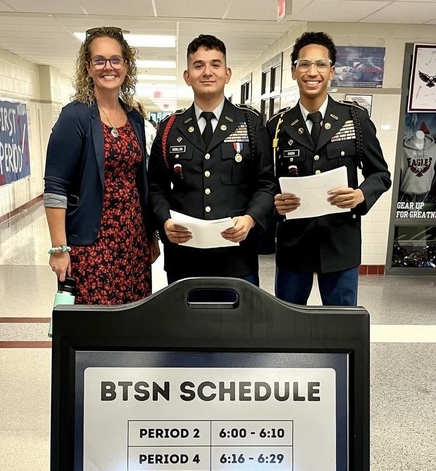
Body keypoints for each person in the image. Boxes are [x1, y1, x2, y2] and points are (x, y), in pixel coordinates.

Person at [266, 31, 391, 306]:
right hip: (293, 243)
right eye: (305, 64)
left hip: (340, 243)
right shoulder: (277, 125)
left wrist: (360, 195)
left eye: (321, 64)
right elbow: (265, 182)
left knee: (341, 327)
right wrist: (275, 201)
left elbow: (381, 174)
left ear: (332, 71)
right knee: (288, 324)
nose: (313, 72)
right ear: (293, 71)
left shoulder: (355, 119)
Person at [148, 34, 278, 285]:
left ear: (227, 73)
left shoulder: (250, 124)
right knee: (185, 325)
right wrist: (164, 221)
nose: (207, 72)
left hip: (237, 257)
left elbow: (266, 184)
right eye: (198, 65)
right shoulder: (169, 128)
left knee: (237, 325)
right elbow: (156, 188)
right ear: (187, 76)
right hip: (184, 256)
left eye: (215, 64)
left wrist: (250, 218)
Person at [43, 26, 159, 304]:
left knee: (133, 318)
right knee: (97, 326)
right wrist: (59, 249)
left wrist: (150, 234)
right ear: (88, 67)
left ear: (126, 65)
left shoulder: (134, 118)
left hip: (132, 241)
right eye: (99, 60)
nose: (108, 67)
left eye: (115, 60)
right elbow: (55, 186)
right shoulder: (75, 116)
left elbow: (140, 180)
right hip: (92, 243)